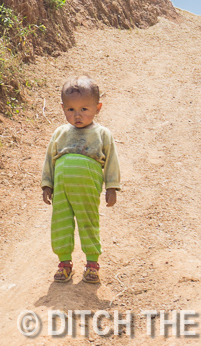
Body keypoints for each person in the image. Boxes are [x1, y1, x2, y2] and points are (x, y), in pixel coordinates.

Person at [40, 76, 120, 284]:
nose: (77, 115)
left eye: (84, 109)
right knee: (61, 223)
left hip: (87, 186)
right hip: (62, 187)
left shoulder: (102, 134)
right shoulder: (60, 132)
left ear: (98, 107)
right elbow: (50, 158)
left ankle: (92, 264)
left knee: (88, 222)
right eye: (71, 110)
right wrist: (47, 184)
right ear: (63, 108)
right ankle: (64, 263)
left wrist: (111, 187)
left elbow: (111, 161)